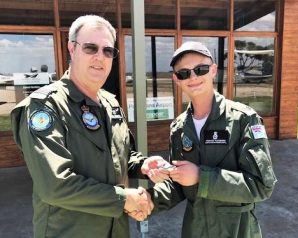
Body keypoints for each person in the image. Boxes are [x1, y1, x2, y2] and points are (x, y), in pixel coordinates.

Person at [10, 15, 155, 238]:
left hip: (116, 230)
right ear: (72, 48)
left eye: (108, 51)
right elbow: (55, 185)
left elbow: (122, 156)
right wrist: (125, 199)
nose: (100, 57)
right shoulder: (45, 107)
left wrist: (145, 165)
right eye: (90, 48)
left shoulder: (110, 102)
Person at [140, 41, 277, 238]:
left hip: (237, 230)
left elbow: (261, 185)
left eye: (200, 69)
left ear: (213, 70)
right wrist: (148, 199)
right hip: (195, 230)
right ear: (176, 79)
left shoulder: (243, 119)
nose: (193, 77)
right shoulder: (179, 129)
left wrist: (201, 177)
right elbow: (180, 186)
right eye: (184, 73)